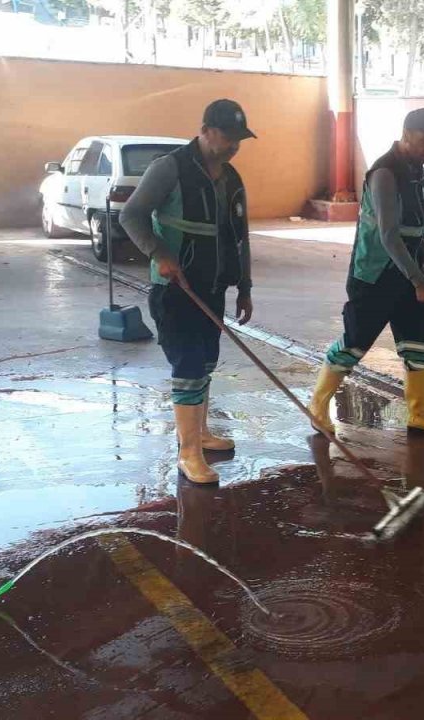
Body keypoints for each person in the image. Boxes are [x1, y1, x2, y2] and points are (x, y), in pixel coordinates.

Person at [120, 99, 256, 485]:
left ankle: (201, 435)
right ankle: (188, 452)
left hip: (214, 287)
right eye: (228, 137)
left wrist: (244, 287)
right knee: (189, 366)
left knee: (207, 364)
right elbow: (130, 215)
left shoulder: (232, 178)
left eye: (239, 139)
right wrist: (159, 253)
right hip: (176, 289)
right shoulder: (170, 168)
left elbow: (240, 237)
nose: (234, 146)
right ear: (206, 129)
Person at [307, 109, 424, 437]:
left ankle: (421, 414)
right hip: (375, 275)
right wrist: (418, 280)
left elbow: (414, 231)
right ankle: (318, 404)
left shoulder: (416, 171)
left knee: (418, 343)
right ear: (405, 136)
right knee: (354, 344)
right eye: (423, 142)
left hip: (407, 271)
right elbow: (390, 235)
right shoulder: (385, 173)